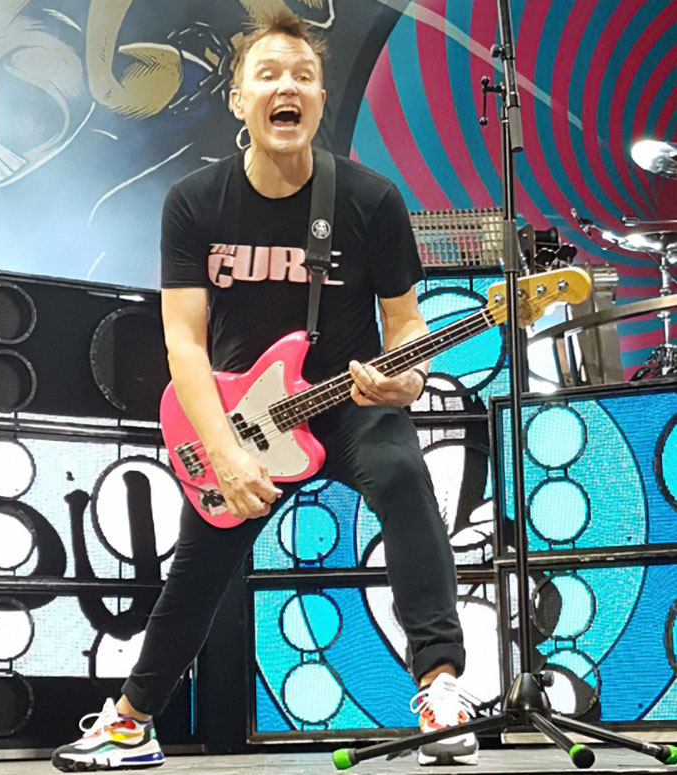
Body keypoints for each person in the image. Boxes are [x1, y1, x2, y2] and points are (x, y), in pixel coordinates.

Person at [51, 10, 478, 771]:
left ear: (317, 99)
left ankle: (442, 690)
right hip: (238, 418)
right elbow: (182, 338)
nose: (289, 87)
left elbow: (406, 322)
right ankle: (131, 720)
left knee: (406, 477)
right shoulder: (193, 202)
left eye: (304, 76)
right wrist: (220, 447)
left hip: (347, 404)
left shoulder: (371, 201)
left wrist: (405, 374)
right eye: (270, 75)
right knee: (201, 562)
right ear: (240, 99)